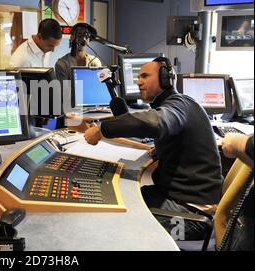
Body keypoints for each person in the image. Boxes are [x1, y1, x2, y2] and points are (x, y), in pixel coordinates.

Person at [81, 57, 223, 240]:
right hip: (181, 203)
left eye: (145, 76)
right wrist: (163, 149)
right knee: (119, 194)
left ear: (165, 79)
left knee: (110, 218)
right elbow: (174, 131)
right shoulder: (181, 104)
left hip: (191, 219)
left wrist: (102, 129)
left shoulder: (178, 105)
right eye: (138, 77)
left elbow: (157, 123)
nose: (139, 81)